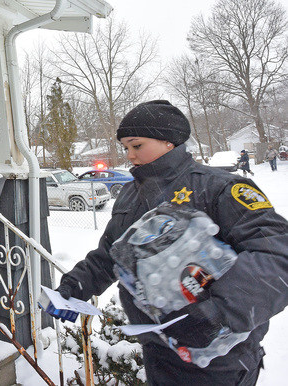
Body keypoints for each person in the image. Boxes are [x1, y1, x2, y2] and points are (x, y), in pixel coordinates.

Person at [55, 100, 288, 385]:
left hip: (220, 358)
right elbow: (111, 255)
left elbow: (277, 255)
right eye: (125, 147)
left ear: (169, 141)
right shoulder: (130, 195)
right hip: (160, 352)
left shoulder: (218, 187)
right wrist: (76, 285)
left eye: (136, 145)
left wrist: (217, 313)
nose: (129, 155)